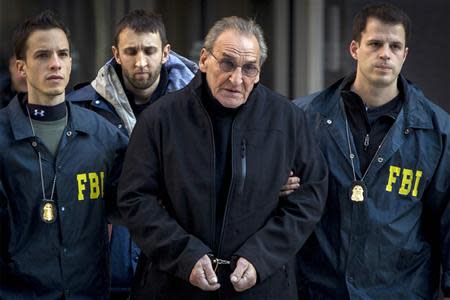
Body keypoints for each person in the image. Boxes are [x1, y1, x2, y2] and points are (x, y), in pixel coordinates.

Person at [118, 16, 329, 300]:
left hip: (262, 287)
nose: (236, 78)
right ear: (204, 60)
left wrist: (260, 256)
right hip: (173, 286)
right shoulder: (160, 119)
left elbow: (310, 195)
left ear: (259, 72)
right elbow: (135, 199)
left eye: (249, 68)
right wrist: (186, 256)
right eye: (227, 63)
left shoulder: (287, 119)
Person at [293, 3, 449, 299]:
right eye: (375, 43)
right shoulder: (303, 118)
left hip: (402, 290)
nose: (385, 54)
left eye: (394, 46)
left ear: (405, 54)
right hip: (319, 288)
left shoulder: (439, 132)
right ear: (355, 48)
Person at [66, 9, 198, 298]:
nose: (140, 61)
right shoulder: (80, 109)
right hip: (103, 268)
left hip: (176, 268)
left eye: (149, 51)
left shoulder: (197, 109)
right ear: (116, 53)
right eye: (131, 51)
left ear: (165, 53)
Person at [0, 11, 127, 299]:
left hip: (90, 292)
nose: (55, 63)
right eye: (43, 55)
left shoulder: (104, 135)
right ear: (21, 67)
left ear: (71, 62)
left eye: (63, 54)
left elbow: (138, 204)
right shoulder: (3, 137)